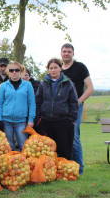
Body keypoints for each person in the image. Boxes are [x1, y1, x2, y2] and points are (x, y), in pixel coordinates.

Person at [35, 58, 79, 160]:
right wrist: (38, 119)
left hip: (63, 121)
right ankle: (48, 173)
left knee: (64, 149)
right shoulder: (43, 84)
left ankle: (64, 172)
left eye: (56, 67)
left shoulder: (68, 84)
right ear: (48, 70)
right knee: (46, 150)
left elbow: (74, 103)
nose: (53, 70)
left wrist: (71, 120)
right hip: (45, 121)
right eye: (51, 68)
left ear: (60, 68)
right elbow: (38, 102)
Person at [61, 43, 94, 174]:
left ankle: (79, 169)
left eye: (69, 51)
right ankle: (68, 167)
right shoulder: (59, 70)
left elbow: (90, 88)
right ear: (61, 53)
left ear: (73, 53)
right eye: (64, 51)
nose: (66, 53)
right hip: (61, 109)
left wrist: (78, 101)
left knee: (74, 137)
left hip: (75, 108)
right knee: (64, 136)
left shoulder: (80, 67)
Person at [0, 62, 36, 151]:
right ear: (8, 72)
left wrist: (31, 120)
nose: (14, 72)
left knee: (24, 146)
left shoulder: (28, 85)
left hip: (21, 122)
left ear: (21, 72)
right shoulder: (3, 86)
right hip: (6, 121)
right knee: (8, 147)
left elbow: (32, 103)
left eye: (17, 70)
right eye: (11, 70)